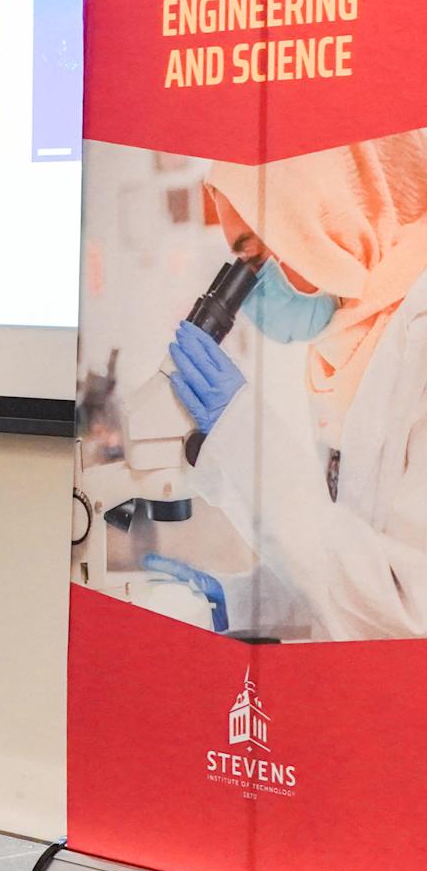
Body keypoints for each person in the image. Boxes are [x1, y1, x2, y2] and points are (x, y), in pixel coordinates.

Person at [152, 133, 427, 639]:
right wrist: (241, 602)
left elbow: (408, 611)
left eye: (259, 255)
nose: (255, 287)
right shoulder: (347, 353)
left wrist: (245, 436)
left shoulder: (420, 341)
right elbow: (341, 562)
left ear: (327, 217)